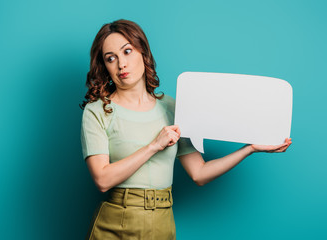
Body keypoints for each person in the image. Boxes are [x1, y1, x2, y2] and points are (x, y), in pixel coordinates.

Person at [80, 19, 292, 240]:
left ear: (143, 52)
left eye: (127, 51)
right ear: (104, 66)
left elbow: (199, 173)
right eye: (110, 58)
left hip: (162, 222)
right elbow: (102, 180)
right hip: (115, 223)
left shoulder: (172, 107)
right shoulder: (97, 111)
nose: (121, 64)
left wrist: (250, 149)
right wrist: (154, 146)